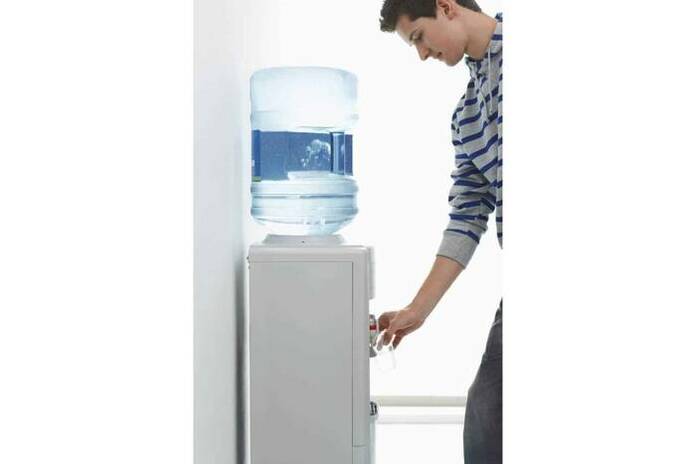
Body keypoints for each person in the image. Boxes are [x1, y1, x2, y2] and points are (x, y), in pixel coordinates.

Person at [376, 0, 503, 462]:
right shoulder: (467, 117)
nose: (422, 54)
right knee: (488, 422)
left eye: (418, 37)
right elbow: (467, 217)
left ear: (446, 7)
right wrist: (418, 309)